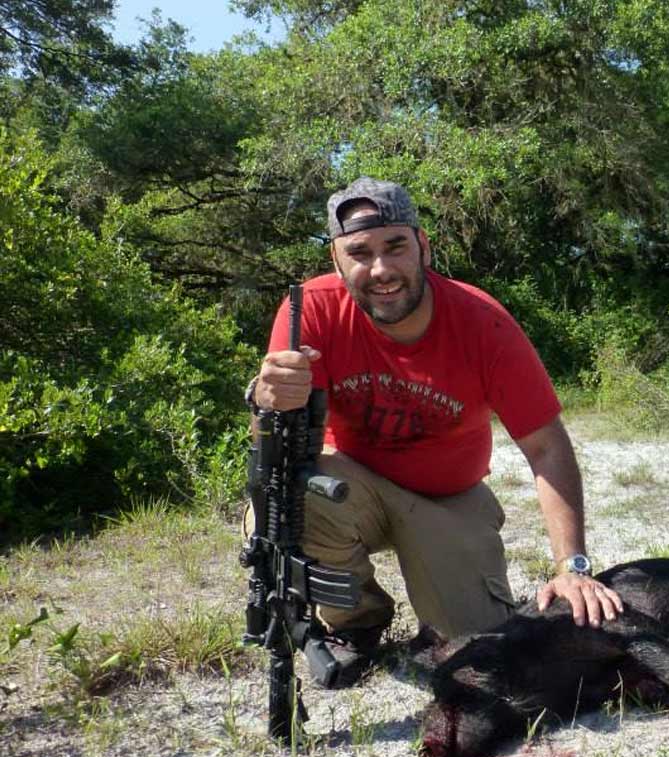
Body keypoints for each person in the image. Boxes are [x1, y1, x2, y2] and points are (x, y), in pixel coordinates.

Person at [246, 177, 622, 686]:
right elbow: (275, 447)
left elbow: (546, 446)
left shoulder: (482, 321)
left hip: (449, 499)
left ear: (423, 247)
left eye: (395, 247)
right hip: (353, 487)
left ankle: (447, 608)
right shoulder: (309, 309)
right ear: (336, 260)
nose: (381, 269)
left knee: (480, 652)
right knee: (283, 501)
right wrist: (266, 403)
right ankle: (357, 622)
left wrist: (572, 567)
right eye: (359, 253)